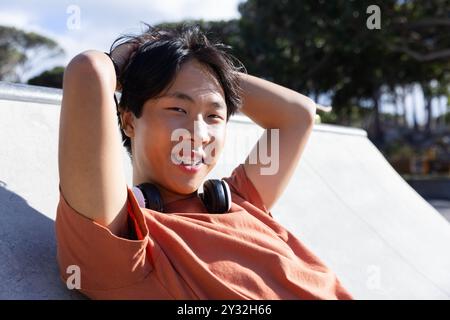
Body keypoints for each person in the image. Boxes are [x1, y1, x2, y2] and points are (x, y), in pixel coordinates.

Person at [56, 23, 353, 299]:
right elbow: (88, 71)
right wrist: (137, 61)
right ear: (129, 121)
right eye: (177, 109)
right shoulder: (126, 243)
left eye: (213, 116)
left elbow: (298, 114)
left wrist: (197, 65)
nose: (197, 134)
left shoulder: (242, 200)